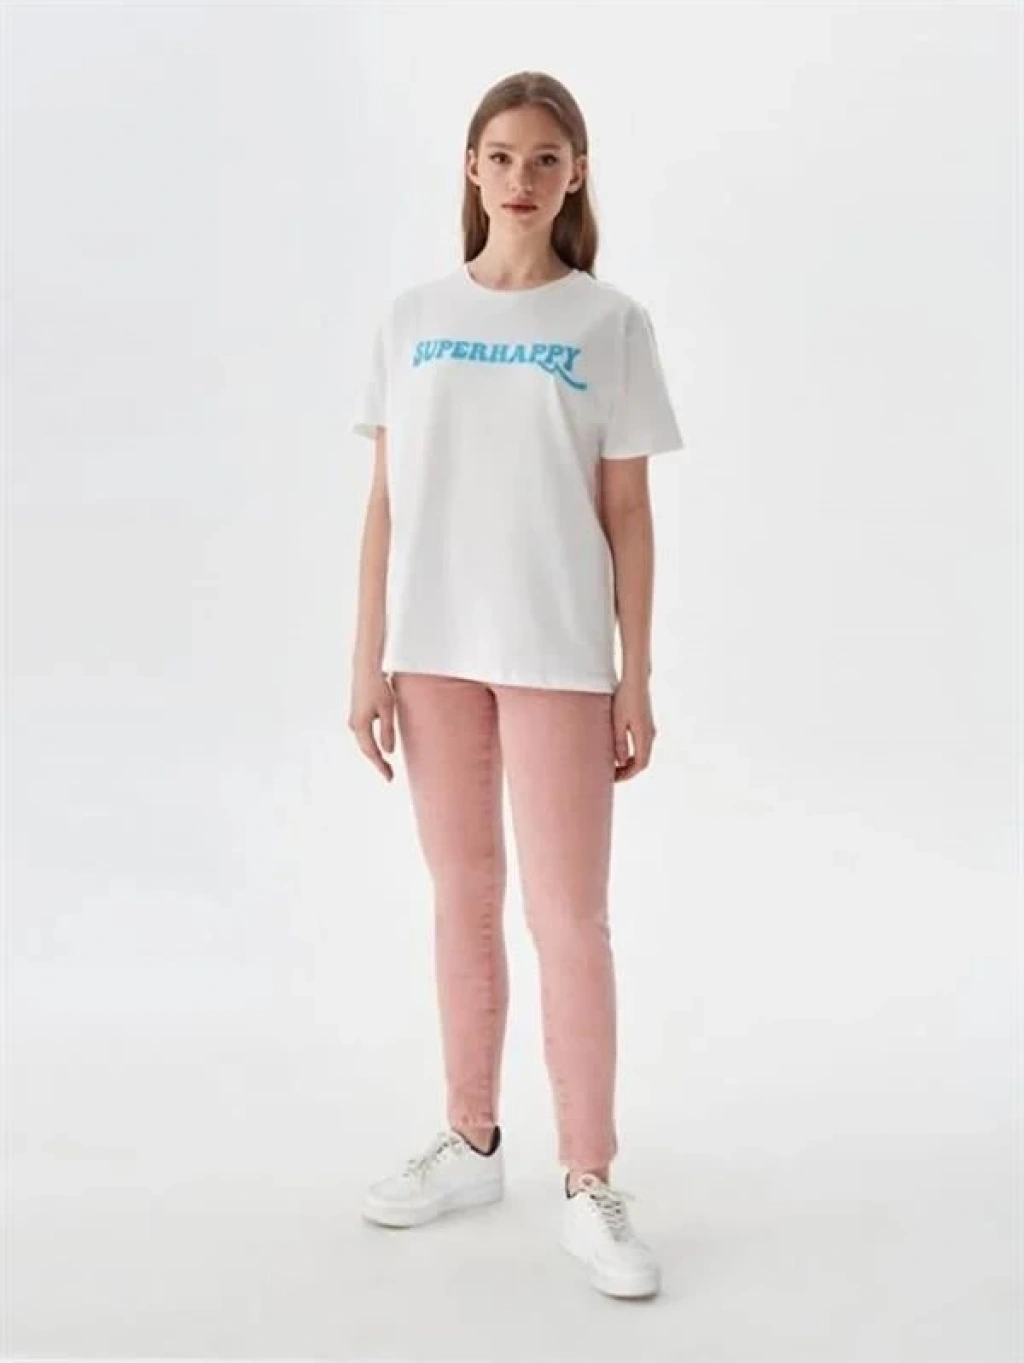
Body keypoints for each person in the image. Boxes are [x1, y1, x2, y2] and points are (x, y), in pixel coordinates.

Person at [347, 70, 684, 1300]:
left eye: (545, 158)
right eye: (500, 156)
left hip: (554, 651)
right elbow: (386, 500)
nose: (521, 178)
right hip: (432, 650)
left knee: (568, 918)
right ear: (471, 169)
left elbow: (627, 511)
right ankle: (473, 1138)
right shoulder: (412, 316)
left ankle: (589, 1178)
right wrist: (367, 657)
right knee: (462, 900)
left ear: (575, 173)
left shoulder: (610, 322)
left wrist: (634, 673)